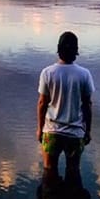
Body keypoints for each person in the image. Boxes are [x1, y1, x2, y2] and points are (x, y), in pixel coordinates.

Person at [36, 31, 94, 180]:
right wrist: (87, 131)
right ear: (76, 51)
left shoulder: (47, 73)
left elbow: (43, 103)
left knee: (49, 171)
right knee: (73, 171)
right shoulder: (84, 74)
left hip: (52, 132)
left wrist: (40, 129)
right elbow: (87, 106)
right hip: (75, 133)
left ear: (58, 50)